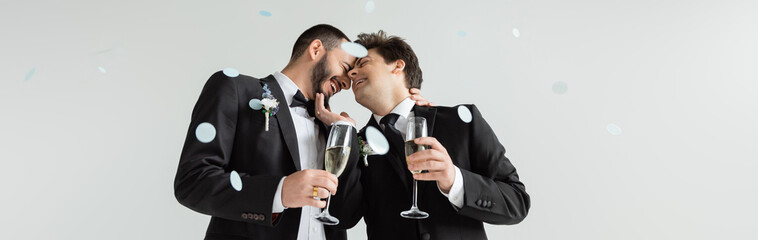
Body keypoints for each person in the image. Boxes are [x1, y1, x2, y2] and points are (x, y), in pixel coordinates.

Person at [317, 30, 531, 240]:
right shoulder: (356, 142)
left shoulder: (462, 122)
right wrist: (343, 133)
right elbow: (342, 218)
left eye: (363, 64)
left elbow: (517, 202)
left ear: (398, 66)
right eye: (352, 69)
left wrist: (454, 180)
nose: (352, 74)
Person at [174, 24, 360, 240]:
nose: (347, 84)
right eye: (345, 67)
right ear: (316, 49)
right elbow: (193, 182)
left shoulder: (333, 128)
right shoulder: (234, 89)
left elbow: (348, 214)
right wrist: (279, 192)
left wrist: (347, 132)